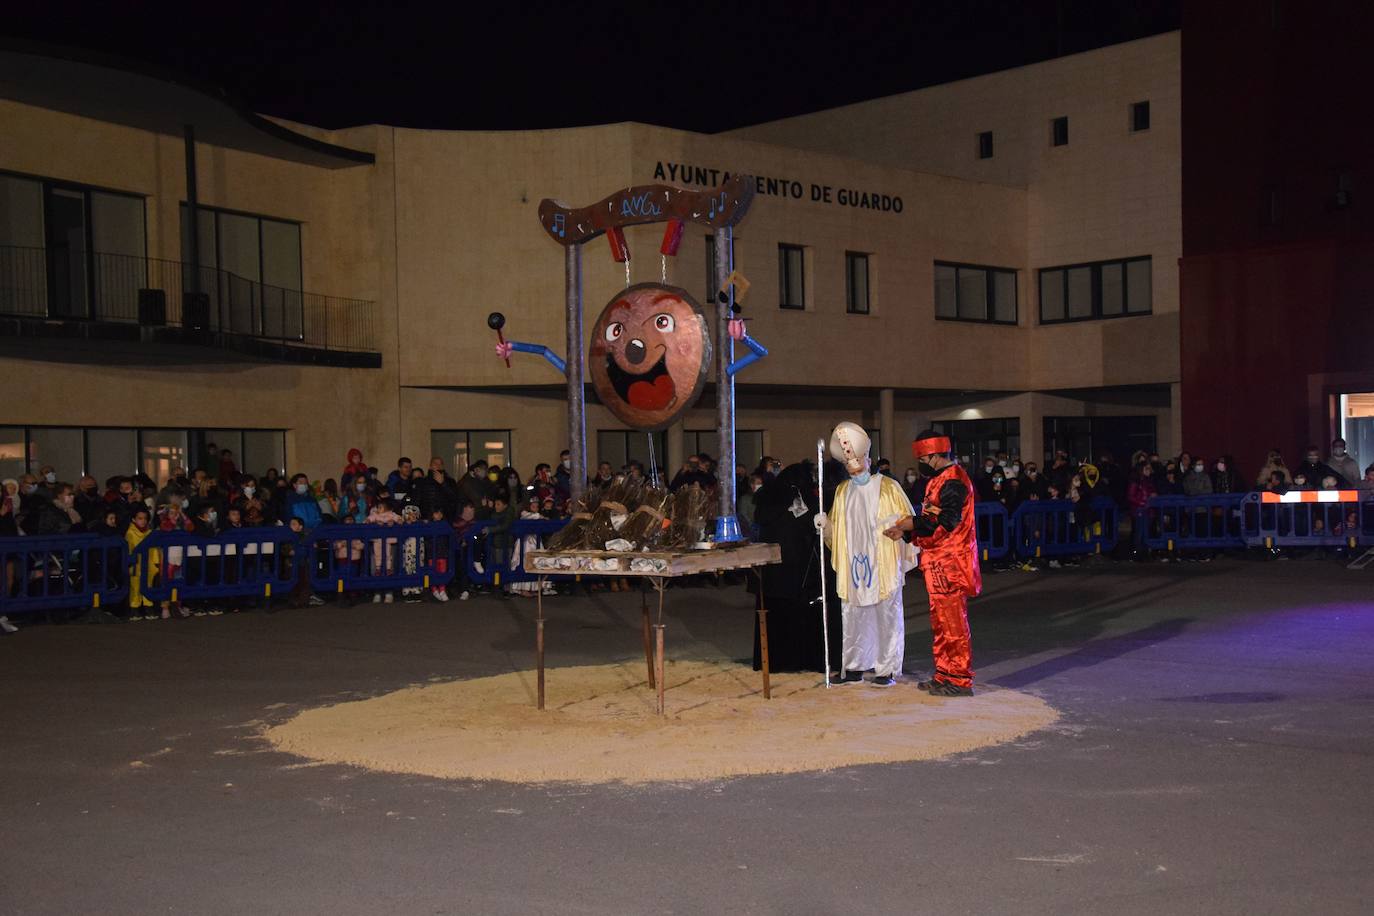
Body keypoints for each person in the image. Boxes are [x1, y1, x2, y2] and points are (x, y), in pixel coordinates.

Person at [814, 422, 915, 688]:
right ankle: (855, 665)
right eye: (849, 465)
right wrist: (826, 525)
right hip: (854, 562)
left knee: (886, 615)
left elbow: (906, 520)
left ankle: (886, 668)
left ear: (868, 460)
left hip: (882, 559)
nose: (854, 468)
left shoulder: (889, 486)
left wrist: (897, 529)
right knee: (854, 614)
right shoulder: (843, 491)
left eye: (858, 462)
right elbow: (837, 528)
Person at [885, 429, 981, 697]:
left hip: (951, 563)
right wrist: (907, 531)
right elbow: (932, 523)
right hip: (937, 562)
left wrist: (911, 523)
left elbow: (948, 520)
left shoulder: (954, 481)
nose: (922, 464)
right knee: (941, 623)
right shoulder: (939, 480)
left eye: (924, 458)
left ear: (934, 455)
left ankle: (960, 679)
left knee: (953, 624)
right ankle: (944, 674)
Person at [750, 461, 842, 673]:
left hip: (771, 570)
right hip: (796, 571)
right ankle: (799, 660)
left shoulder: (767, 496)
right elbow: (811, 526)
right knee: (796, 618)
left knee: (772, 619)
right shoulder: (800, 496)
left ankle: (770, 662)